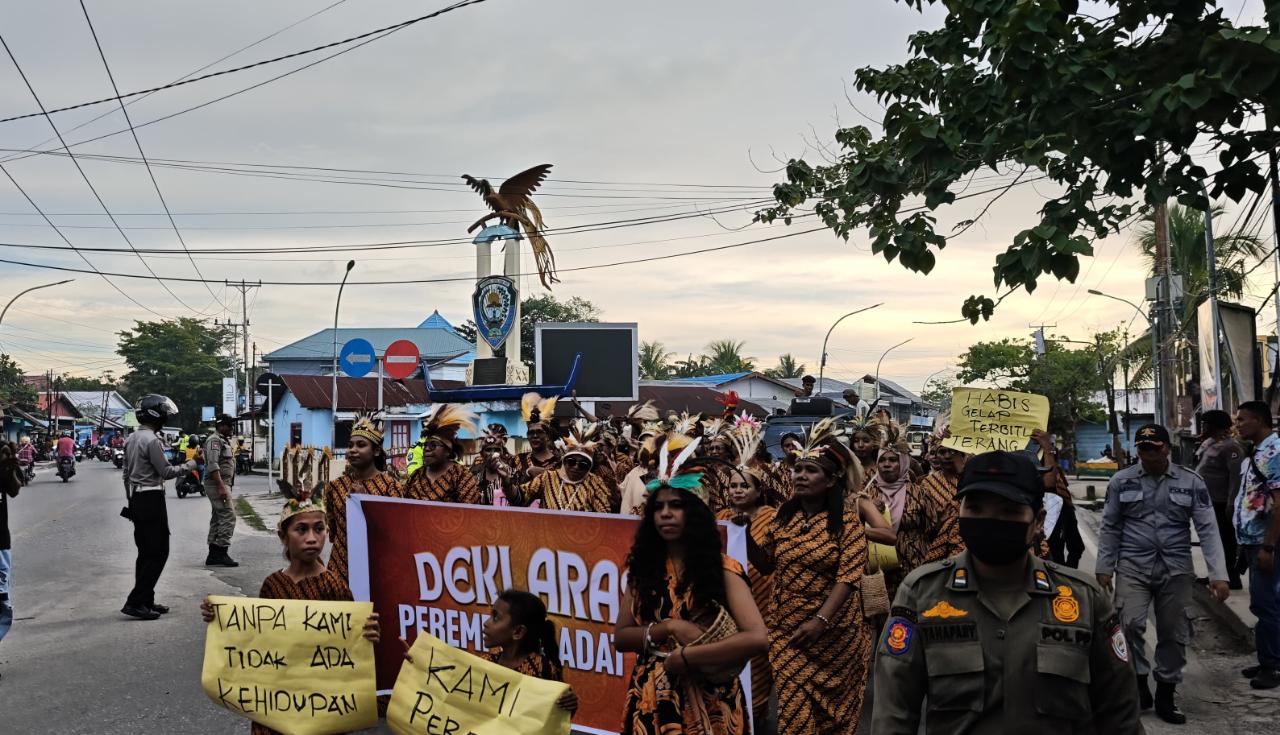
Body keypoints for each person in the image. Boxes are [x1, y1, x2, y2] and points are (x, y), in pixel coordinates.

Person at [872, 450, 1141, 734]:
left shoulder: (1084, 599)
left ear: (1038, 521)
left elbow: (1119, 715)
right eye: (975, 508)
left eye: (1009, 511)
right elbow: (894, 714)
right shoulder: (922, 593)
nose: (991, 520)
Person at [615, 436, 768, 734]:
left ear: (695, 513)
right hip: (652, 695)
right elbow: (621, 637)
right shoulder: (642, 570)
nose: (665, 513)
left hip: (712, 698)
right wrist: (669, 628)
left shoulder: (723, 568)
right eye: (658, 507)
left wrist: (686, 657)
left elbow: (757, 638)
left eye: (676, 506)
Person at [201, 489, 380, 735]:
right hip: (276, 702)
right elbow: (256, 640)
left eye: (319, 529)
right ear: (283, 536)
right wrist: (219, 619)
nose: (312, 538)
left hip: (320, 704)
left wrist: (368, 633)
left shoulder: (334, 586)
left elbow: (351, 646)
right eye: (301, 530)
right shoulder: (273, 585)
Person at [1096, 422, 1230, 722]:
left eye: (1154, 449)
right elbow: (1110, 526)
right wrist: (1104, 567)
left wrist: (1218, 574)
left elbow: (1208, 529)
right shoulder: (1121, 481)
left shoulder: (1191, 482)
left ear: (1167, 449)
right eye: (1143, 449)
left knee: (1174, 631)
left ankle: (1166, 692)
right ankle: (1138, 682)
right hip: (1133, 565)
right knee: (1128, 625)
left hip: (1176, 568)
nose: (1148, 454)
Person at [750, 418, 874, 732]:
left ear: (831, 480)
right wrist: (744, 538)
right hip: (787, 632)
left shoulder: (847, 521)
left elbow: (848, 578)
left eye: (811, 470)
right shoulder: (783, 517)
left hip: (834, 636)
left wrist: (820, 621)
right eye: (797, 469)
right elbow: (766, 565)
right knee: (794, 716)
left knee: (832, 720)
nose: (801, 476)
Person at [716, 422, 777, 724]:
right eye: (733, 486)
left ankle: (756, 722)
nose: (738, 491)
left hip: (764, 606)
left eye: (744, 486)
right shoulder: (719, 518)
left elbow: (772, 562)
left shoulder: (774, 518)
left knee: (758, 675)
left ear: (759, 491)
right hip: (726, 609)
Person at [121, 395, 199, 620]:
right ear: (156, 415)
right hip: (151, 498)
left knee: (145, 552)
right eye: (164, 413)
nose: (166, 417)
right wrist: (193, 463)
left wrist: (131, 500)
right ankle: (136, 601)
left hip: (137, 498)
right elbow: (166, 472)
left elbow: (126, 474)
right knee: (159, 552)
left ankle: (146, 599)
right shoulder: (152, 441)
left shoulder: (132, 438)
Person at [1232, 401, 1280, 690]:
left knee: (1266, 604)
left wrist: (1268, 547)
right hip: (1252, 540)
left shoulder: (1275, 452)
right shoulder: (1257, 452)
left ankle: (1272, 666)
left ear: (1260, 421)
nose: (1237, 425)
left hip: (1266, 542)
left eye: (1242, 419)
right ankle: (1267, 659)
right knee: (1266, 603)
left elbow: (1279, 505)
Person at [322, 415, 403, 582]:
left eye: (361, 445)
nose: (353, 450)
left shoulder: (390, 487)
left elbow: (395, 533)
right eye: (350, 445)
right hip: (340, 568)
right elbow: (334, 531)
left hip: (377, 569)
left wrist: (365, 502)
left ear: (376, 451)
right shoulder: (335, 487)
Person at [478, 590, 578, 713]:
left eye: (495, 618)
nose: (486, 623)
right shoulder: (484, 663)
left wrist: (569, 704)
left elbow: (556, 716)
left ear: (518, 632)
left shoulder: (543, 669)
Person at [895, 444, 966, 579]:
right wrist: (939, 521)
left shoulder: (969, 479)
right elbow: (922, 523)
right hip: (935, 543)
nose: (947, 456)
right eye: (942, 452)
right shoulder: (927, 483)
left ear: (961, 454)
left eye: (952, 451)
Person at [512, 422, 615, 513]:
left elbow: (603, 518)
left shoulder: (596, 484)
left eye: (583, 465)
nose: (576, 467)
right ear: (564, 462)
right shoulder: (548, 477)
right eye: (571, 462)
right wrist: (507, 483)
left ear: (589, 467)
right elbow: (519, 497)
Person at [1196, 409, 1245, 589]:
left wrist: (1232, 502)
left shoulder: (1232, 447)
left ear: (1215, 426)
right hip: (1207, 500)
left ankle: (1232, 577)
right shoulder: (1209, 443)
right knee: (1213, 540)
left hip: (1222, 501)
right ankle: (1216, 575)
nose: (1203, 427)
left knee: (1226, 540)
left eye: (1205, 424)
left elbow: (1236, 477)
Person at [402, 404, 481, 504]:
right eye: (425, 445)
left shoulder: (461, 475)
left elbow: (469, 510)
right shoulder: (416, 476)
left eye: (433, 445)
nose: (426, 449)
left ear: (448, 451)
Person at [203, 414, 239, 568]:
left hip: (222, 483)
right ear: (221, 426)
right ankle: (222, 552)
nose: (232, 428)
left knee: (218, 517)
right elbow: (213, 464)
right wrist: (221, 486)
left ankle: (213, 555)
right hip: (217, 484)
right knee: (228, 516)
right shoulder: (214, 441)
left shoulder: (222, 440)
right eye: (230, 425)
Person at [0, 440, 22, 653]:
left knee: (1, 602)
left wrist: (9, 467)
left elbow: (14, 490)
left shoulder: (3, 456)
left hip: (0, 543)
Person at [516, 392, 561, 481]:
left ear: (547, 436)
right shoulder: (518, 460)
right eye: (531, 433)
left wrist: (545, 474)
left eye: (539, 432)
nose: (535, 436)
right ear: (527, 436)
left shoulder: (560, 462)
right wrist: (528, 474)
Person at [472, 434, 519, 506]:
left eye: (497, 450)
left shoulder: (513, 473)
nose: (493, 453)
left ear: (502, 452)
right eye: (488, 450)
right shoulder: (475, 476)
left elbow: (519, 500)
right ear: (482, 454)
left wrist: (507, 480)